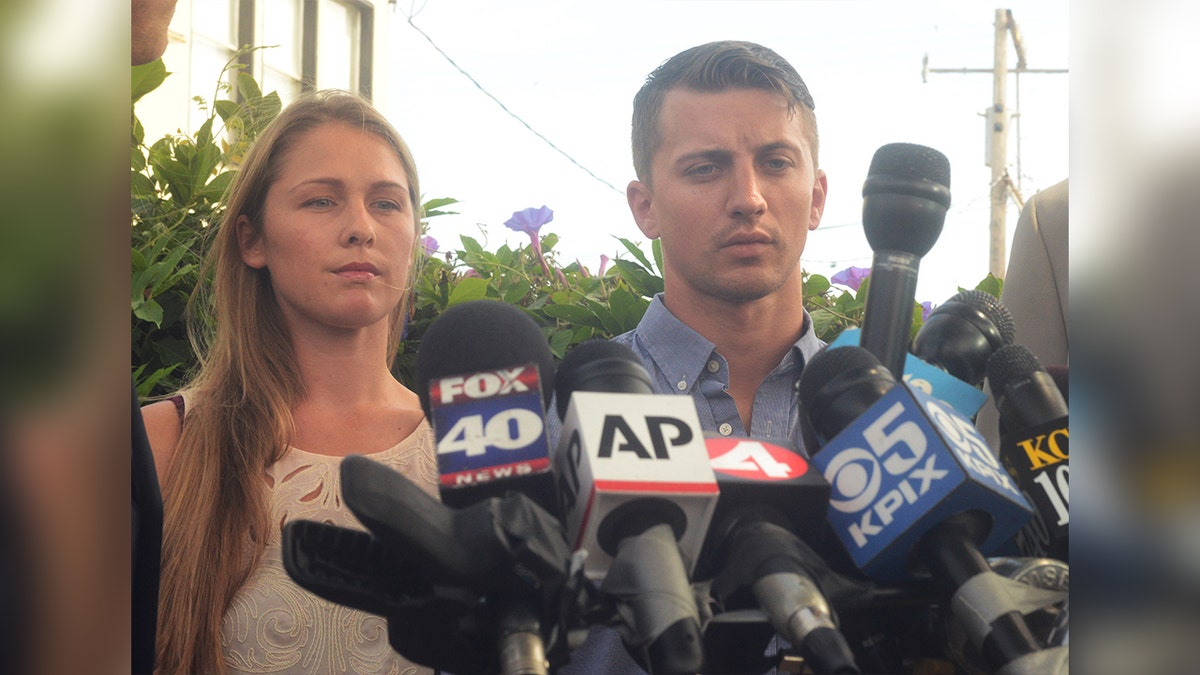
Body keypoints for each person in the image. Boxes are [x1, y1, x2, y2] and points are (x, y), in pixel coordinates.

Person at [139, 90, 438, 675]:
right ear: (252, 240)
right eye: (322, 201)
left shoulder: (470, 449)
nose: (360, 228)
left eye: (386, 203)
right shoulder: (163, 443)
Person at [617, 40, 828, 455]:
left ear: (816, 199)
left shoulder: (891, 415)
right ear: (646, 208)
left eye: (776, 163)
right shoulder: (565, 417)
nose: (749, 200)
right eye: (705, 169)